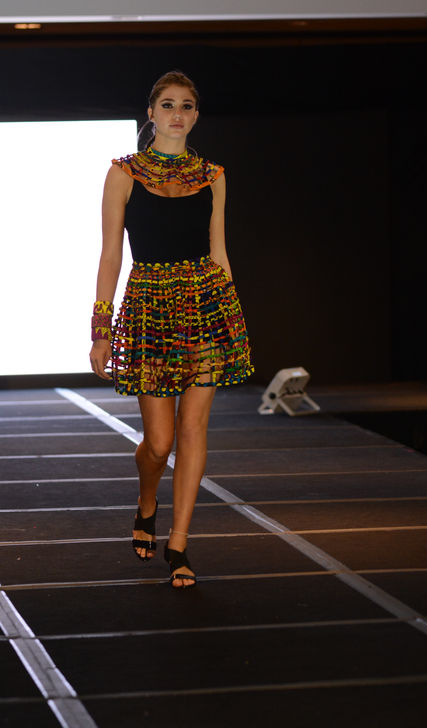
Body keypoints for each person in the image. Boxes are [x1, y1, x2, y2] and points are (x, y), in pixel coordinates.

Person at [89, 70, 253, 588]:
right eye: (168, 104)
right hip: (150, 310)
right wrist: (100, 328)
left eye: (186, 105)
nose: (177, 114)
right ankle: (146, 501)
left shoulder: (213, 176)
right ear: (151, 113)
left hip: (206, 306)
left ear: (196, 115)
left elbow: (219, 251)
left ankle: (178, 543)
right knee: (159, 443)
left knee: (193, 428)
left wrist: (231, 318)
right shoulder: (124, 173)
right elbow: (111, 254)